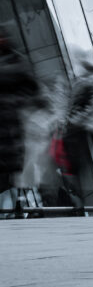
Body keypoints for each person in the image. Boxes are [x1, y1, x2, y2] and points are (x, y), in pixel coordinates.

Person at [0, 28, 41, 214]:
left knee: (12, 169)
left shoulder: (16, 61)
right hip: (9, 125)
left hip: (10, 124)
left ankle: (17, 207)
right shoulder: (16, 61)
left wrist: (12, 102)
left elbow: (32, 90)